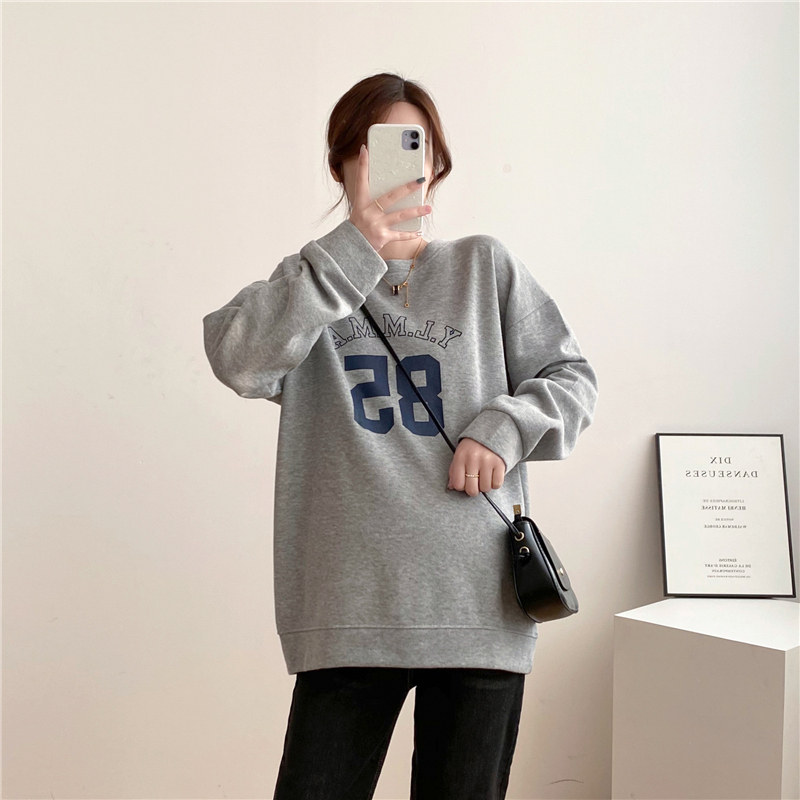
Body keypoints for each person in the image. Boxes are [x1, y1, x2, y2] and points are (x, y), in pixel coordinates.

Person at [202, 72, 598, 800]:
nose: (397, 162)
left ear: (436, 161)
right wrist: (352, 249)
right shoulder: (311, 284)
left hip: (477, 606)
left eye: (413, 144)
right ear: (343, 163)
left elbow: (572, 378)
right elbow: (236, 357)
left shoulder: (484, 267)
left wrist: (503, 428)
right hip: (349, 610)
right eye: (373, 145)